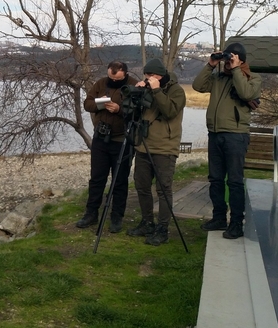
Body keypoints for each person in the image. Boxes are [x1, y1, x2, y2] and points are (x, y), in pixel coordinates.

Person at [192, 42, 262, 240]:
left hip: (235, 135)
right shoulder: (218, 78)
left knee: (234, 181)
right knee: (215, 179)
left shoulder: (253, 78)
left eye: (231, 58)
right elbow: (197, 86)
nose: (228, 63)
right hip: (214, 134)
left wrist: (237, 68)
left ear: (240, 59)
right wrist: (211, 64)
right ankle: (219, 217)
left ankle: (236, 223)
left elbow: (246, 94)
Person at [126, 58, 186, 246]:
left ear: (161, 76)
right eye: (147, 75)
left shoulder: (177, 91)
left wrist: (156, 90)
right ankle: (147, 223)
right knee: (142, 186)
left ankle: (162, 228)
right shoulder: (146, 87)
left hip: (164, 147)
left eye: (153, 75)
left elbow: (169, 111)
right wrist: (136, 94)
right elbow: (133, 115)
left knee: (163, 189)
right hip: (143, 145)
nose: (150, 78)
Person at [76, 61, 139, 232]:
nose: (113, 81)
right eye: (111, 77)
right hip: (101, 138)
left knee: (119, 180)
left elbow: (139, 111)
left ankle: (116, 217)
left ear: (125, 74)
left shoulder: (134, 85)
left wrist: (119, 109)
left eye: (117, 78)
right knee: (97, 178)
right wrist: (101, 104)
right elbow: (87, 104)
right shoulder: (100, 83)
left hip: (122, 139)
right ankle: (91, 214)